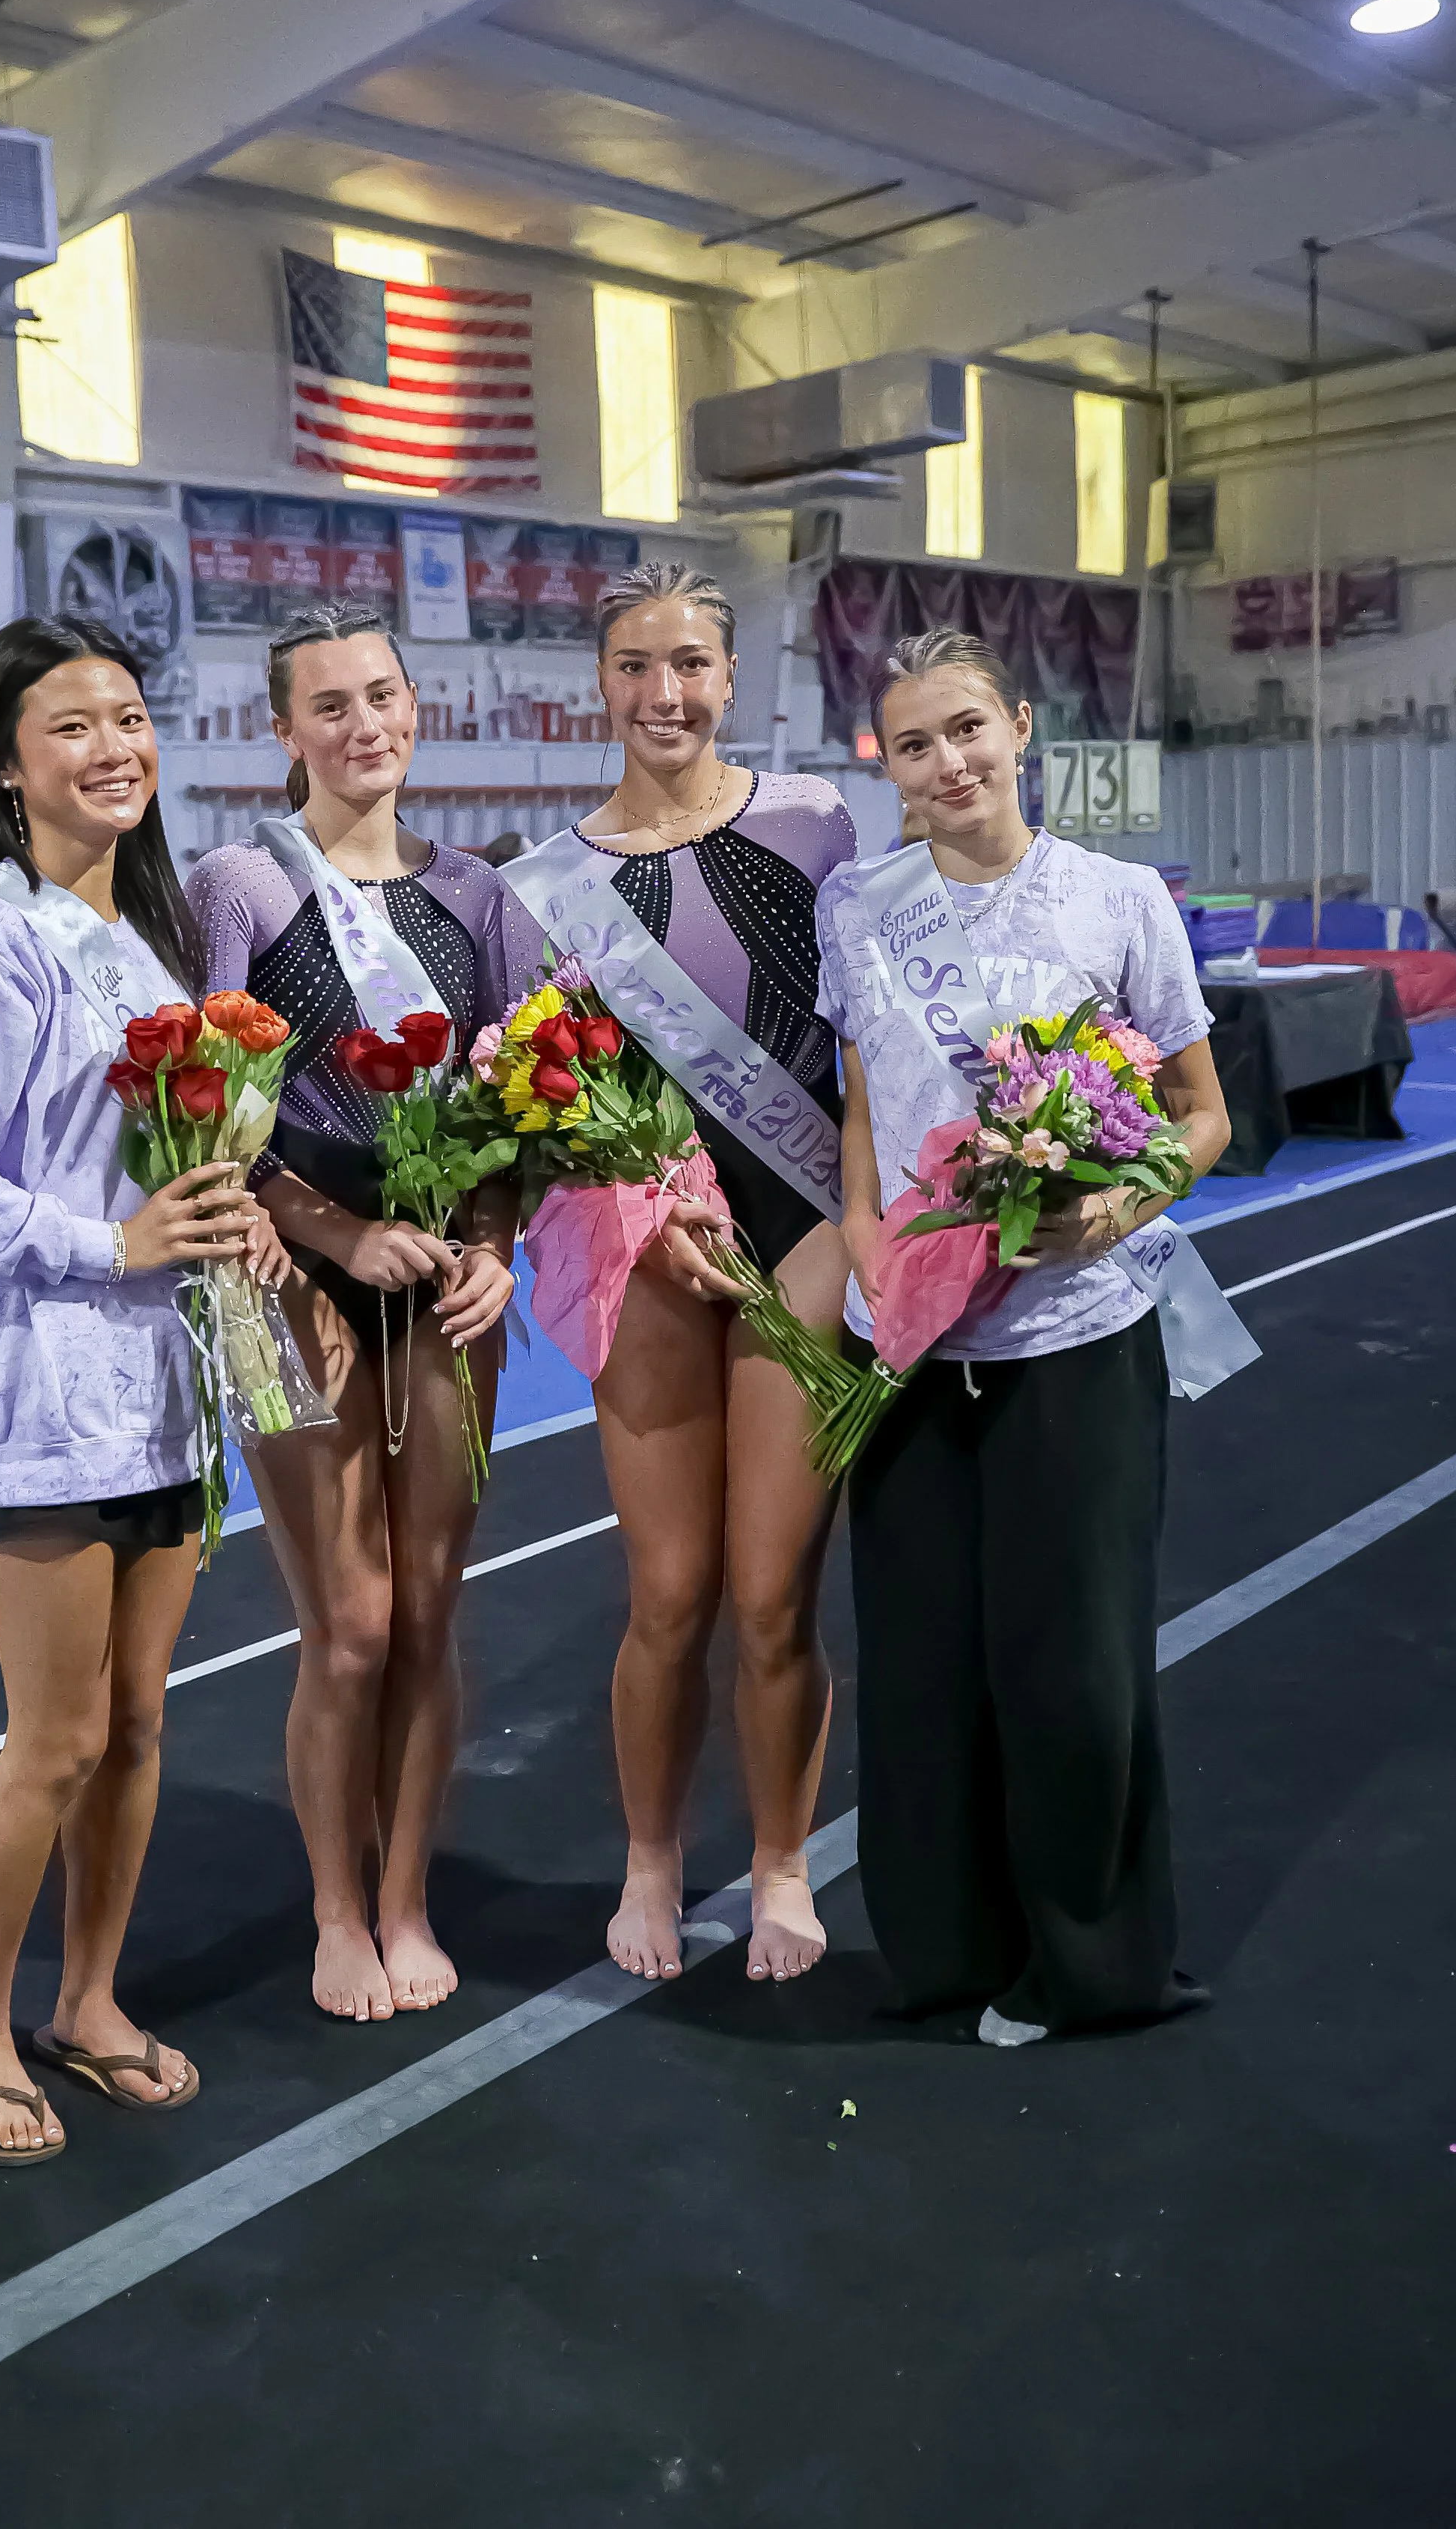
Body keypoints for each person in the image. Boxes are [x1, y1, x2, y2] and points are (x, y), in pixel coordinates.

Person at [0, 614, 287, 2163]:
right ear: (4, 768)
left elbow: (156, 1171)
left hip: (164, 1391)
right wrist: (110, 1242)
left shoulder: (148, 949)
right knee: (49, 1741)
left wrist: (221, 1208)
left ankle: (88, 2001)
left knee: (133, 1730)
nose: (114, 747)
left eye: (130, 718)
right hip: (40, 1398)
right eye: (71, 727)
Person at [816, 627, 1232, 2046]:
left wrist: (1113, 1215)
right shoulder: (856, 908)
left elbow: (1203, 1120)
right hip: (913, 1354)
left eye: (966, 733)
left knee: (1071, 1669)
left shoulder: (1118, 900)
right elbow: (866, 1113)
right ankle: (943, 1952)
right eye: (913, 745)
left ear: (1021, 728)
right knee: (923, 1668)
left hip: (1080, 1339)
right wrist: (871, 1254)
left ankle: (1090, 1966)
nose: (945, 765)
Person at [504, 563, 855, 1987]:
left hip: (806, 1235)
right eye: (639, 666)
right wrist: (649, 1217)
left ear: (731, 678)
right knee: (670, 1596)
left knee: (775, 1599)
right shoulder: (544, 888)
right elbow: (544, 1104)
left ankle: (781, 1865)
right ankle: (651, 1859)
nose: (668, 694)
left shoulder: (816, 825)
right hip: (649, 1256)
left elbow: (871, 1032)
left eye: (694, 664)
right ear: (601, 684)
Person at [186, 602, 516, 2026]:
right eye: (329, 706)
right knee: (353, 1629)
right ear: (284, 731)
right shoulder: (238, 889)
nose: (362, 725)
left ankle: (404, 1900)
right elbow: (201, 1110)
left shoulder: (481, 898)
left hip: (447, 1290)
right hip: (292, 1277)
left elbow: (525, 1103)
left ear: (415, 705)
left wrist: (494, 1243)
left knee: (430, 1617)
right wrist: (331, 1231)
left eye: (381, 695)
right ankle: (333, 1909)